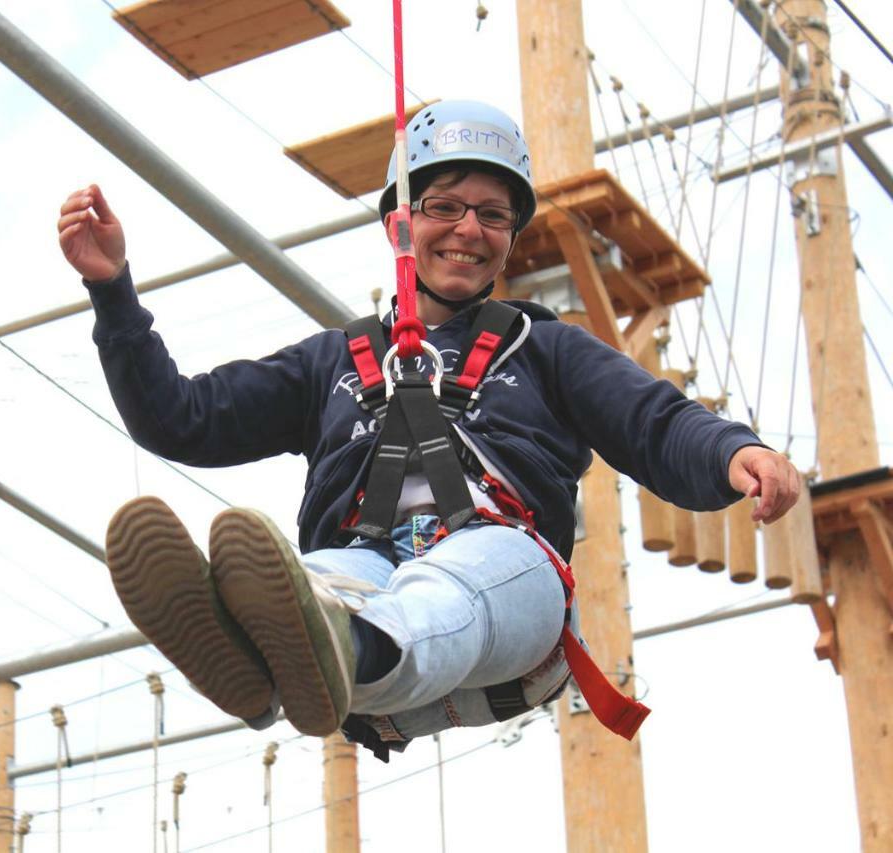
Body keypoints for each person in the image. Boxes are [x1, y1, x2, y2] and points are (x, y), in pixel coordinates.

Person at [56, 100, 800, 755]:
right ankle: (263, 654)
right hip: (365, 565)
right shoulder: (334, 363)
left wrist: (736, 450)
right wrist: (112, 291)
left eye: (494, 214)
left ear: (510, 236)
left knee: (444, 586)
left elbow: (653, 421)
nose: (469, 229)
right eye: (445, 206)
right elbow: (182, 418)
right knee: (316, 586)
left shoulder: (545, 348)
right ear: (400, 222)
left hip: (506, 579)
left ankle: (339, 650)